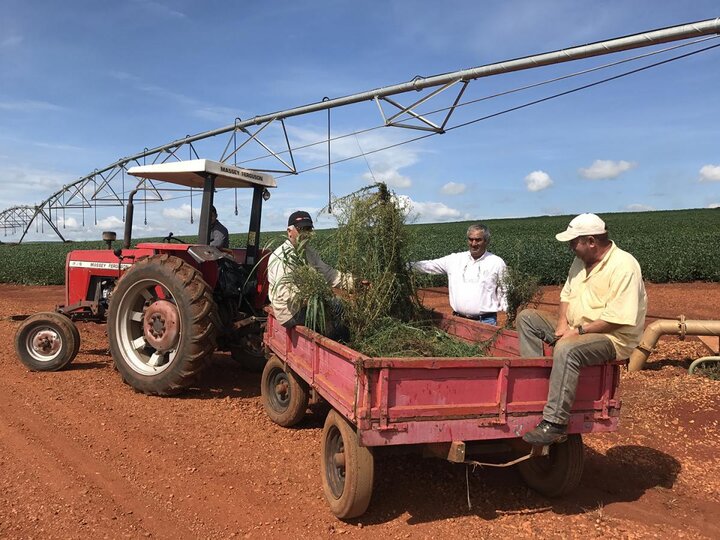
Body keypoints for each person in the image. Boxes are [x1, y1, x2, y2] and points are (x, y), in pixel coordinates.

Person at [518, 213, 647, 446]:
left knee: (567, 349)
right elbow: (566, 294)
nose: (570, 247)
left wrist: (577, 331)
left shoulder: (625, 266)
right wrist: (560, 325)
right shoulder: (580, 262)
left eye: (573, 242)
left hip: (612, 337)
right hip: (578, 327)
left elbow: (618, 319)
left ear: (591, 241)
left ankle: (555, 423)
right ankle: (537, 388)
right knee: (527, 318)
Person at [267, 210, 354, 329]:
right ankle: (338, 339)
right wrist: (318, 298)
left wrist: (354, 282)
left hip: (307, 303)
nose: (305, 233)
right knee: (337, 307)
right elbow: (287, 294)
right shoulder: (281, 257)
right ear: (289, 232)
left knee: (342, 304)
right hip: (290, 312)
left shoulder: (309, 252)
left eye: (308, 229)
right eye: (301, 229)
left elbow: (329, 274)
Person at [410, 223, 507, 325]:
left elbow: (505, 290)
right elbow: (429, 266)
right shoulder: (455, 260)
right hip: (458, 320)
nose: (473, 244)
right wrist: (402, 265)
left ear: (486, 241)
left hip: (486, 321)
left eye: (478, 240)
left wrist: (510, 314)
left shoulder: (496, 262)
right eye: (470, 239)